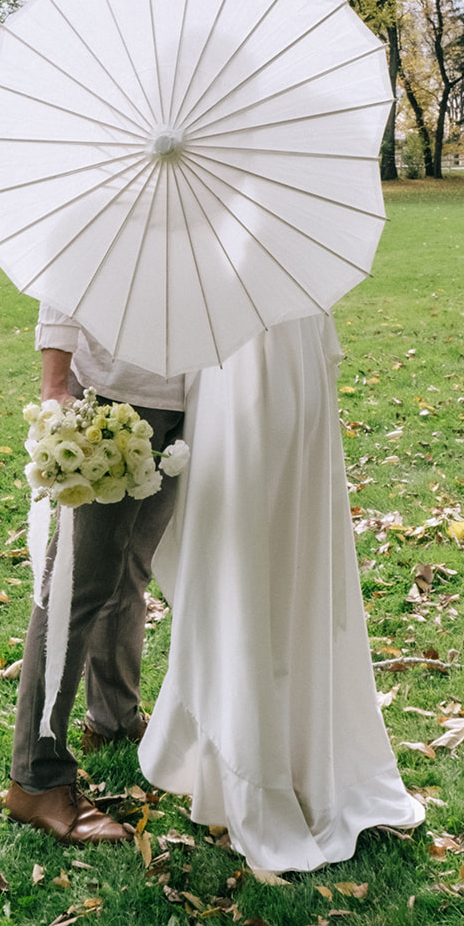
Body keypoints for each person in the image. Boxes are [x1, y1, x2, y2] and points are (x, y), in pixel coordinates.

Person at [138, 311, 425, 872]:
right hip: (264, 370)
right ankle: (270, 753)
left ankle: (262, 763)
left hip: (251, 376)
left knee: (250, 561)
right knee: (254, 561)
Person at [5, 304, 184, 844]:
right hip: (111, 397)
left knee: (130, 569)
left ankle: (113, 716)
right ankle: (36, 779)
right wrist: (55, 385)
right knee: (73, 590)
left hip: (182, 402)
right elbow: (67, 274)